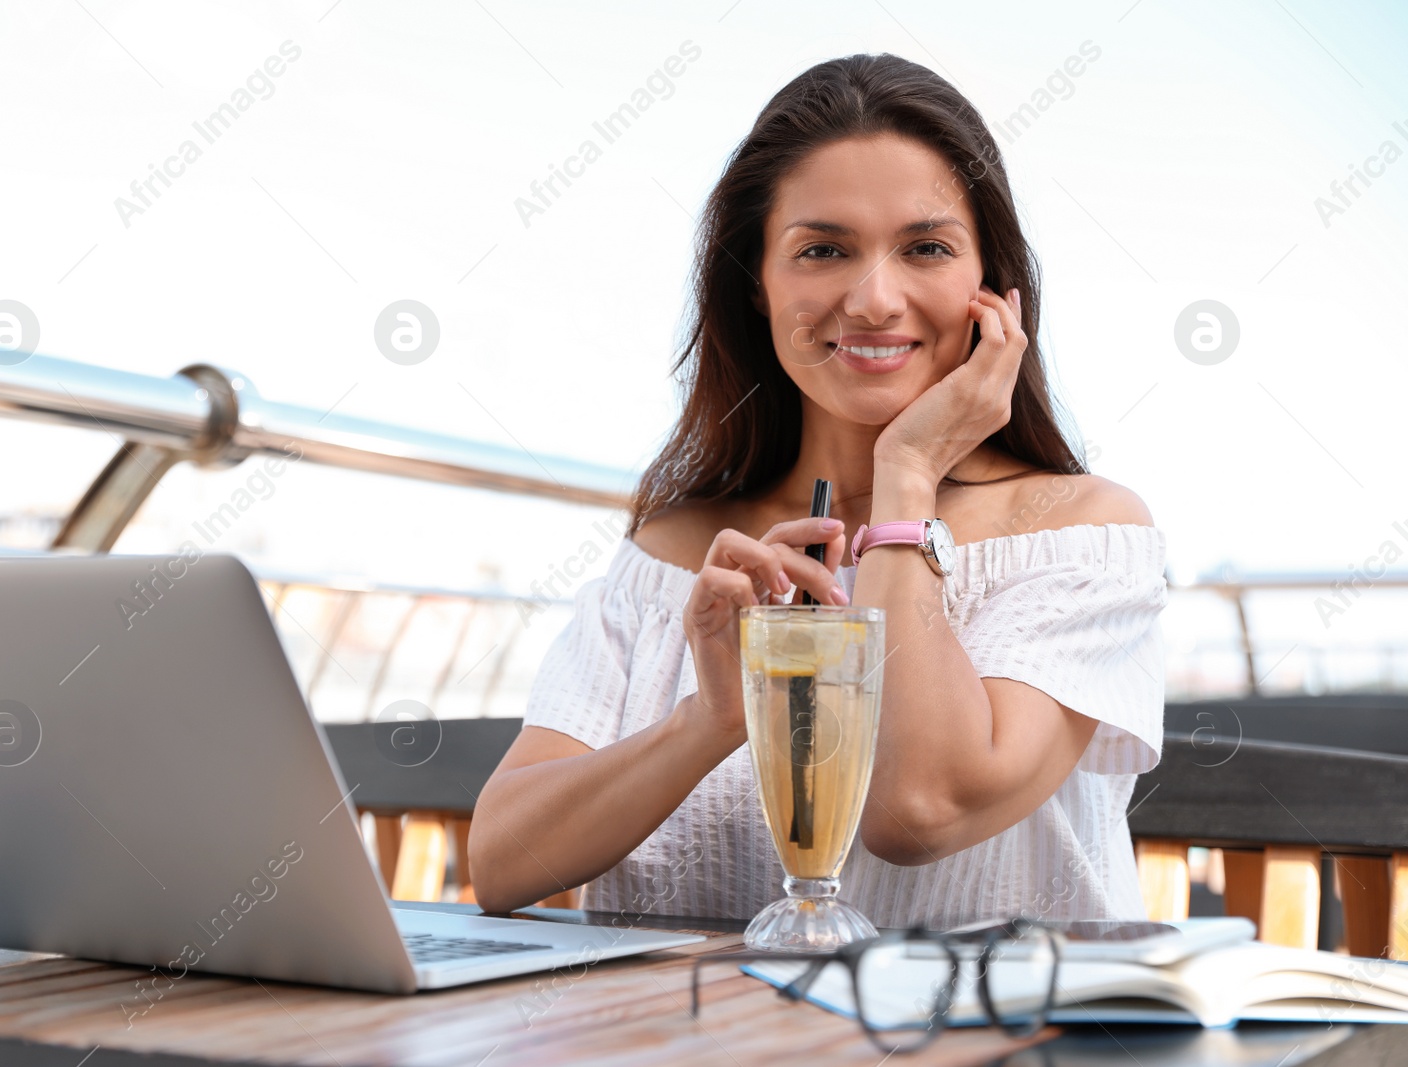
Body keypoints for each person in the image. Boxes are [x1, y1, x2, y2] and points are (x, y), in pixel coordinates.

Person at [468, 53, 1167, 928]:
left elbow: (918, 810)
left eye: (927, 248)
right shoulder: (673, 555)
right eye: (823, 249)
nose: (875, 298)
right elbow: (501, 861)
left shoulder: (1082, 534)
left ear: (994, 289)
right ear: (756, 286)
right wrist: (710, 721)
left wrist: (907, 477)